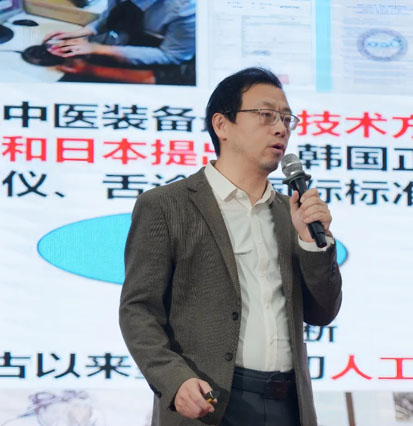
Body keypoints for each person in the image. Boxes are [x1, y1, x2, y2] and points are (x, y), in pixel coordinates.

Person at [119, 67, 342, 425]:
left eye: (287, 119)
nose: (281, 128)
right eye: (266, 114)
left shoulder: (292, 213)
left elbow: (322, 313)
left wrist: (312, 243)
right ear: (222, 125)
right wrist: (174, 380)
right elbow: (138, 310)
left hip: (289, 405)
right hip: (211, 403)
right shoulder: (166, 205)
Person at [42, 0, 195, 84]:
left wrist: (98, 49)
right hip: (120, 48)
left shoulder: (185, 8)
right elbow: (111, 16)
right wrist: (83, 32)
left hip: (154, 69)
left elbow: (172, 55)